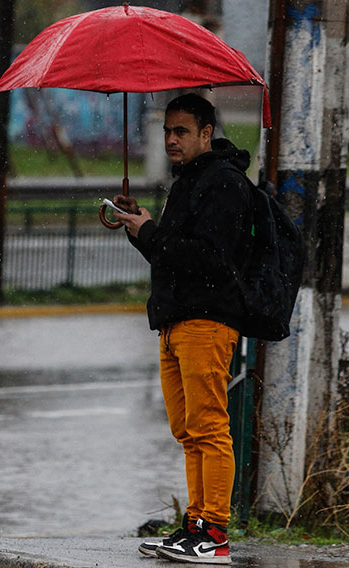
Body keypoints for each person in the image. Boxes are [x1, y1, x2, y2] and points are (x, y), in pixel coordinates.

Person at [111, 93, 254, 565]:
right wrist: (139, 227)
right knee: (189, 430)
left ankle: (214, 532)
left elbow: (209, 258)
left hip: (207, 322)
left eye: (182, 132)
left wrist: (152, 232)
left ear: (206, 134)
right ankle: (195, 526)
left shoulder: (224, 183)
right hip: (175, 323)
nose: (171, 140)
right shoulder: (188, 182)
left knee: (210, 428)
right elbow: (171, 255)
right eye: (168, 131)